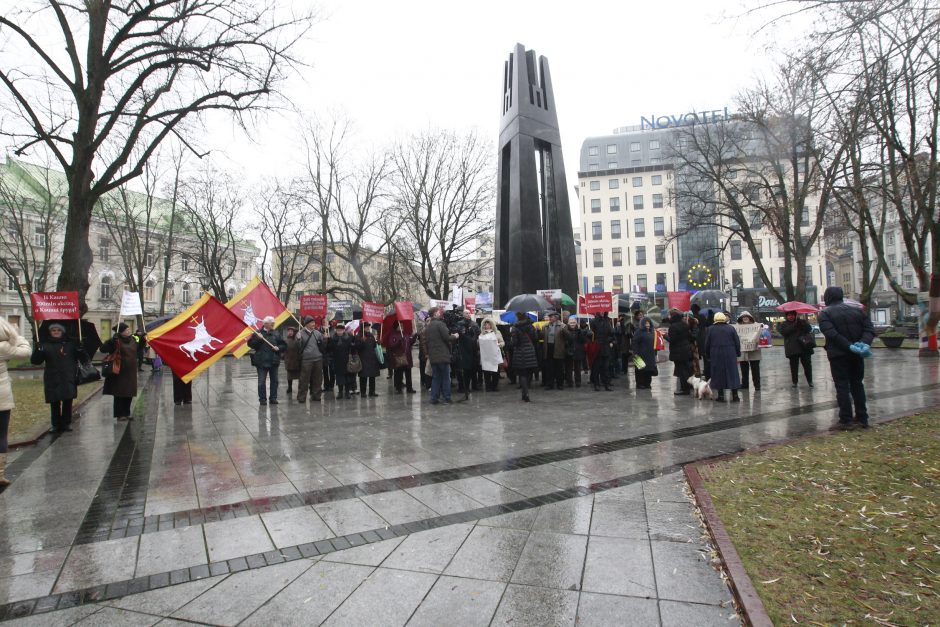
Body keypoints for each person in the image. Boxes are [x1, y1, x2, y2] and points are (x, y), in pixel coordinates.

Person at [818, 286, 875, 428]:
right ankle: (862, 417)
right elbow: (869, 329)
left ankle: (846, 419)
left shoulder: (825, 314)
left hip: (838, 355)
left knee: (842, 386)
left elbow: (832, 334)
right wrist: (863, 343)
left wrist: (848, 346)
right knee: (857, 384)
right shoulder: (857, 311)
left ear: (827, 298)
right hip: (857, 354)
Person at [31, 323, 81, 432]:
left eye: (58, 330)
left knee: (67, 401)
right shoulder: (45, 344)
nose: (56, 332)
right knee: (54, 401)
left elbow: (83, 358)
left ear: (62, 331)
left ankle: (66, 423)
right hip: (52, 377)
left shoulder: (70, 344)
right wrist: (38, 350)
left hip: (68, 376)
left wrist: (80, 349)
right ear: (50, 332)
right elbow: (35, 361)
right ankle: (55, 424)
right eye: (54, 330)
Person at [0, 318, 31, 488]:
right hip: (2, 397)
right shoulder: (4, 348)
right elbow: (26, 351)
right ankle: (0, 474)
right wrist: (17, 335)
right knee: (1, 434)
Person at [100, 323, 140, 420]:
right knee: (119, 393)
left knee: (129, 392)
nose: (128, 331)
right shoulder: (115, 341)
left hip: (130, 371)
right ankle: (119, 414)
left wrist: (142, 338)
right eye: (126, 330)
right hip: (119, 370)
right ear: (121, 332)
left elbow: (139, 348)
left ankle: (126, 413)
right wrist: (111, 341)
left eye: (128, 329)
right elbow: (103, 349)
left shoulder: (133, 340)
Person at [247, 316, 286, 405]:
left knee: (275, 381)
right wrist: (258, 338)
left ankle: (273, 398)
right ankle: (262, 399)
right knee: (261, 382)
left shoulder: (276, 333)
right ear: (265, 324)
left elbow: (284, 345)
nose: (273, 324)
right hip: (261, 362)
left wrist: (278, 348)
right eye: (271, 322)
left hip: (274, 361)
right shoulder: (258, 333)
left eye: (273, 322)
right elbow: (251, 345)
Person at [704, 313, 740, 402]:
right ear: (724, 319)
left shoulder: (710, 329)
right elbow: (737, 342)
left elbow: (707, 344)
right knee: (732, 373)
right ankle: (735, 395)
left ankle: (721, 396)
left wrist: (708, 355)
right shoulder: (731, 328)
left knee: (718, 373)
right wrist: (737, 353)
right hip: (730, 353)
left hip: (716, 353)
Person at [425, 306, 455, 404]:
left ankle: (434, 398)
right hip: (442, 356)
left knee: (436, 378)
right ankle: (447, 397)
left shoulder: (428, 326)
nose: (440, 313)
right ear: (435, 314)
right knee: (446, 378)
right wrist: (455, 336)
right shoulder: (440, 324)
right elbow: (447, 337)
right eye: (438, 312)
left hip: (433, 357)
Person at [779, 311, 814, 388]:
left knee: (807, 365)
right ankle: (794, 382)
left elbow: (809, 329)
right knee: (794, 366)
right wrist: (794, 325)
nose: (791, 317)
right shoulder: (784, 324)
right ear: (787, 316)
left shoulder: (801, 322)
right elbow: (784, 332)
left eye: (792, 315)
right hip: (793, 348)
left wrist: (803, 323)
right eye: (789, 315)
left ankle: (810, 381)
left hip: (804, 347)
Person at [295, 316, 325, 402]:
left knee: (318, 379)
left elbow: (322, 346)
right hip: (306, 360)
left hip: (318, 359)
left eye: (314, 322)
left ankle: (316, 396)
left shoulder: (317, 333)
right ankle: (301, 397)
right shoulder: (300, 333)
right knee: (304, 379)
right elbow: (298, 347)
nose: (314, 324)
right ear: (307, 324)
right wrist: (298, 339)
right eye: (312, 323)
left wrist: (325, 339)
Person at [510, 311, 539, 402]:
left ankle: (525, 393)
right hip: (530, 351)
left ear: (518, 317)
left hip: (520, 352)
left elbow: (515, 343)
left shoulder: (515, 327)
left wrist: (511, 339)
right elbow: (535, 338)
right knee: (529, 372)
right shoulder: (531, 326)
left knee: (522, 374)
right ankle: (525, 393)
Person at [454, 310, 480, 400]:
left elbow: (478, 333)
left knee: (474, 368)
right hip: (464, 349)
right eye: (466, 313)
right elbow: (460, 334)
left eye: (469, 313)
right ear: (463, 315)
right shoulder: (460, 323)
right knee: (466, 370)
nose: (468, 314)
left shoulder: (474, 324)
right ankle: (465, 387)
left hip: (473, 349)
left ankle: (474, 385)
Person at [734, 311, 763, 391]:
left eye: (747, 316)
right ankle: (745, 384)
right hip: (743, 351)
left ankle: (757, 385)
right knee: (744, 369)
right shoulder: (737, 327)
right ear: (741, 318)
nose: (745, 318)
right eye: (743, 317)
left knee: (755, 369)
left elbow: (761, 332)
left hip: (754, 351)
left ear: (750, 317)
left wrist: (761, 327)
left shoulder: (756, 325)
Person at [667, 310, 693, 395]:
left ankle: (684, 389)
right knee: (687, 369)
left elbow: (672, 340)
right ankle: (688, 386)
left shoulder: (673, 327)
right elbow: (690, 337)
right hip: (686, 350)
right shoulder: (685, 325)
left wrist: (664, 336)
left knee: (681, 371)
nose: (669, 317)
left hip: (678, 352)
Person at [387, 324, 417, 394]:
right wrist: (399, 341)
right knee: (399, 373)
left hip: (407, 357)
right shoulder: (393, 335)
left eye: (402, 326)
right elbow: (391, 345)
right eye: (400, 326)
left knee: (408, 373)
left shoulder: (405, 334)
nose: (402, 327)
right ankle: (398, 388)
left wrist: (414, 337)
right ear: (396, 327)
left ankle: (409, 388)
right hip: (399, 357)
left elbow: (410, 342)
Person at [327, 323, 355, 399]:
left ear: (343, 330)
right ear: (336, 330)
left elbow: (352, 347)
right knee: (339, 377)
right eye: (338, 330)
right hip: (337, 361)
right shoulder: (333, 339)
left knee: (347, 377)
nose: (339, 332)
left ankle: (347, 392)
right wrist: (328, 340)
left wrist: (353, 337)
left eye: (341, 330)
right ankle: (340, 392)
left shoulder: (348, 338)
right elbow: (329, 349)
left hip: (346, 360)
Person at [541, 311, 567, 390]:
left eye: (551, 316)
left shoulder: (562, 325)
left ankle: (560, 384)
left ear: (556, 317)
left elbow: (568, 337)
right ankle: (549, 384)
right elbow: (541, 337)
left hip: (558, 348)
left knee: (559, 368)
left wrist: (564, 330)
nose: (550, 318)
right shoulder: (545, 326)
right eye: (549, 317)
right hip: (548, 348)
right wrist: (539, 331)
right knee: (549, 368)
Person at [631, 317, 658, 389]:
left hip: (650, 354)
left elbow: (655, 343)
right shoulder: (639, 332)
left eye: (648, 323)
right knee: (640, 370)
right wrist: (635, 353)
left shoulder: (652, 332)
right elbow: (635, 343)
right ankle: (640, 384)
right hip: (640, 354)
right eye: (646, 323)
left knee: (649, 370)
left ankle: (647, 383)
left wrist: (655, 353)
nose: (647, 325)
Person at [355, 324, 381, 398]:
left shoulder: (371, 335)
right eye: (366, 327)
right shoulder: (359, 336)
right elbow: (357, 348)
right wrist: (362, 342)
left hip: (372, 358)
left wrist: (377, 343)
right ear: (363, 328)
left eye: (368, 327)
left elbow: (374, 346)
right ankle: (363, 392)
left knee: (372, 376)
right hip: (363, 359)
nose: (368, 328)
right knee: (363, 377)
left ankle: (372, 392)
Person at [589, 313, 615, 391]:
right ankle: (596, 384)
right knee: (596, 367)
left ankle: (606, 384)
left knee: (606, 367)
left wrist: (610, 340)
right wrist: (590, 334)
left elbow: (611, 334)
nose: (602, 312)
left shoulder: (608, 320)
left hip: (606, 347)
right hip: (597, 347)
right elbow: (590, 335)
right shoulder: (593, 321)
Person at [478, 317, 504, 392]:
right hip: (486, 356)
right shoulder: (482, 333)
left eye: (488, 324)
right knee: (486, 372)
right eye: (485, 324)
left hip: (495, 355)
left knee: (495, 372)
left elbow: (502, 342)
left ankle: (494, 386)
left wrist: (500, 344)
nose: (487, 325)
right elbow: (479, 343)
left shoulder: (497, 332)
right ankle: (488, 386)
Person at [563, 317, 587, 388]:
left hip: (578, 351)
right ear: (568, 323)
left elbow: (583, 340)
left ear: (576, 323)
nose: (572, 324)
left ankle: (578, 382)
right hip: (569, 351)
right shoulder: (565, 330)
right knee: (568, 368)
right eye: (571, 323)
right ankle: (569, 382)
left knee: (577, 368)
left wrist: (581, 333)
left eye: (574, 323)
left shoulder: (579, 330)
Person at [282, 326, 301, 397]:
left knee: (299, 375)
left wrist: (299, 340)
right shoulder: (286, 340)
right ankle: (289, 387)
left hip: (297, 360)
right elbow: (283, 349)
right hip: (289, 360)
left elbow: (300, 348)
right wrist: (282, 355)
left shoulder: (298, 339)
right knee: (289, 376)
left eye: (291, 331)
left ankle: (300, 388)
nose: (290, 332)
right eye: (289, 331)